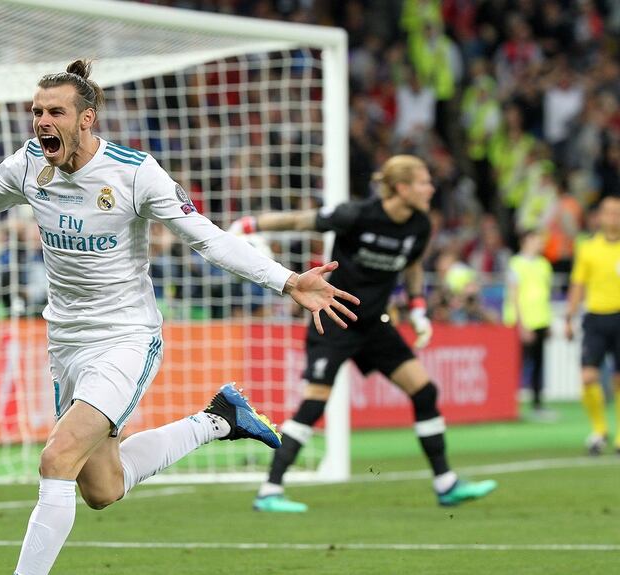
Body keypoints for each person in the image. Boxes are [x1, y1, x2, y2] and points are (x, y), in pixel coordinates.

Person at [0, 60, 359, 575]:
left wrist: (287, 281)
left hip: (125, 336)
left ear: (85, 118)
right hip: (66, 342)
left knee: (56, 459)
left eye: (54, 112)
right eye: (37, 111)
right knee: (102, 488)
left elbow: (208, 239)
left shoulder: (134, 173)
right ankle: (219, 419)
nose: (42, 122)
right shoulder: (29, 164)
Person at [230, 154, 498, 512]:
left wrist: (418, 309)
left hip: (375, 325)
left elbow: (413, 265)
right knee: (313, 404)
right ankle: (269, 491)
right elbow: (302, 219)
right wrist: (250, 225)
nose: (430, 188)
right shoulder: (356, 215)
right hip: (335, 322)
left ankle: (445, 483)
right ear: (402, 188)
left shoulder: (419, 225)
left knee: (424, 390)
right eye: (423, 182)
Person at [564, 196, 620, 455]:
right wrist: (569, 316)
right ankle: (600, 430)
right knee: (588, 377)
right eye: (609, 212)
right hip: (596, 318)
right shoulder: (588, 248)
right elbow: (578, 284)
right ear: (600, 216)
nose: (614, 217)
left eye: (618, 212)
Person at [504, 231, 556, 420]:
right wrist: (521, 324)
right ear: (525, 241)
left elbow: (546, 293)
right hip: (523, 321)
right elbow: (514, 294)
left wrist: (549, 320)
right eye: (536, 240)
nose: (540, 244)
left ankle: (537, 404)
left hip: (541, 318)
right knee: (516, 364)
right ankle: (510, 405)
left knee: (539, 364)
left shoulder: (544, 265)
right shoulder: (515, 264)